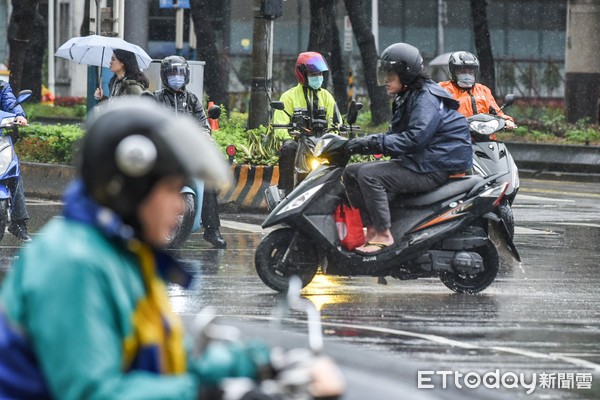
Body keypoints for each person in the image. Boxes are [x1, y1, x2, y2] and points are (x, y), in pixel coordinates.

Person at [0, 100, 264, 399]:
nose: (179, 204)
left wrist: (254, 365)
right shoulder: (73, 263)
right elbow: (92, 393)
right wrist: (210, 393)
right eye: (169, 189)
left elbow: (167, 356)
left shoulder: (124, 255)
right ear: (129, 189)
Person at [343, 43, 473, 254]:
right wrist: (362, 143)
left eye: (390, 74)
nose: (385, 80)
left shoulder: (425, 98)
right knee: (351, 173)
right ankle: (372, 229)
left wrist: (371, 143)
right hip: (420, 161)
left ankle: (384, 235)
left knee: (369, 175)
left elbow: (414, 139)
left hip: (433, 167)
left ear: (406, 73)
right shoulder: (409, 95)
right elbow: (395, 136)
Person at [146, 55, 226, 249]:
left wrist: (204, 133)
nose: (177, 77)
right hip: (161, 153)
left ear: (187, 75)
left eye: (180, 73)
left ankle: (212, 230)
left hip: (186, 152)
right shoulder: (154, 98)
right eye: (172, 73)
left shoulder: (192, 99)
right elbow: (145, 120)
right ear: (164, 76)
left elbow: (203, 124)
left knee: (207, 183)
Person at [273, 51, 341, 194]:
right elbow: (280, 124)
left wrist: (334, 134)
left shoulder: (327, 97)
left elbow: (336, 121)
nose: (318, 78)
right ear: (302, 75)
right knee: (288, 148)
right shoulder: (288, 97)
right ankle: (285, 191)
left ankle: (336, 191)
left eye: (320, 74)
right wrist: (290, 136)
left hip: (321, 142)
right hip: (299, 143)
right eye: (313, 74)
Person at [438, 51, 516, 128]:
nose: (467, 75)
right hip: (456, 135)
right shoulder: (443, 89)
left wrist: (507, 120)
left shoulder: (483, 90)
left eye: (471, 72)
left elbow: (496, 111)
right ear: (453, 72)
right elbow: (435, 112)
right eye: (463, 71)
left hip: (484, 135)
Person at [0, 80, 31, 241]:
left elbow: (11, 103)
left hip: (0, 138)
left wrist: (19, 115)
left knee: (13, 170)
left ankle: (18, 223)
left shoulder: (2, 86)